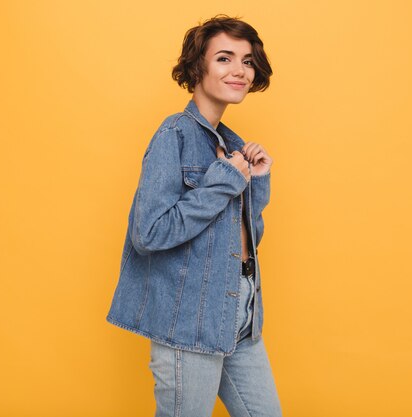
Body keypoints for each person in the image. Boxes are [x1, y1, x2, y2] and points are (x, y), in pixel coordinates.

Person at [106, 14, 282, 417]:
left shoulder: (232, 146)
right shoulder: (175, 135)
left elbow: (242, 240)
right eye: (225, 58)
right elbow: (148, 233)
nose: (240, 70)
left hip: (240, 311)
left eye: (248, 61)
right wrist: (223, 181)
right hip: (189, 319)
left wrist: (258, 181)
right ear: (197, 67)